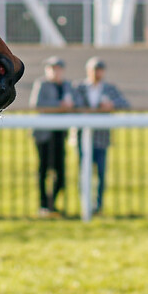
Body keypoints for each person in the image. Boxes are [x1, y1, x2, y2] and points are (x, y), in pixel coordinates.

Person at [73, 56, 129, 215]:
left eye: (100, 70)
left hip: (102, 138)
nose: (97, 73)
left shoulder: (110, 89)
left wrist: (111, 105)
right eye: (94, 70)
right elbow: (75, 106)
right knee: (84, 173)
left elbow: (125, 104)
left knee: (102, 174)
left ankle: (99, 206)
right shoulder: (79, 87)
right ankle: (85, 205)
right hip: (82, 137)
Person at [29, 56, 79, 217]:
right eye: (51, 68)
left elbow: (76, 102)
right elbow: (37, 104)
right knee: (43, 170)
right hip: (44, 134)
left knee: (60, 172)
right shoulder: (42, 84)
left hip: (60, 133)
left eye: (56, 68)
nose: (54, 72)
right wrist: (59, 105)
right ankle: (43, 205)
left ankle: (51, 204)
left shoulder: (67, 86)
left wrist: (70, 105)